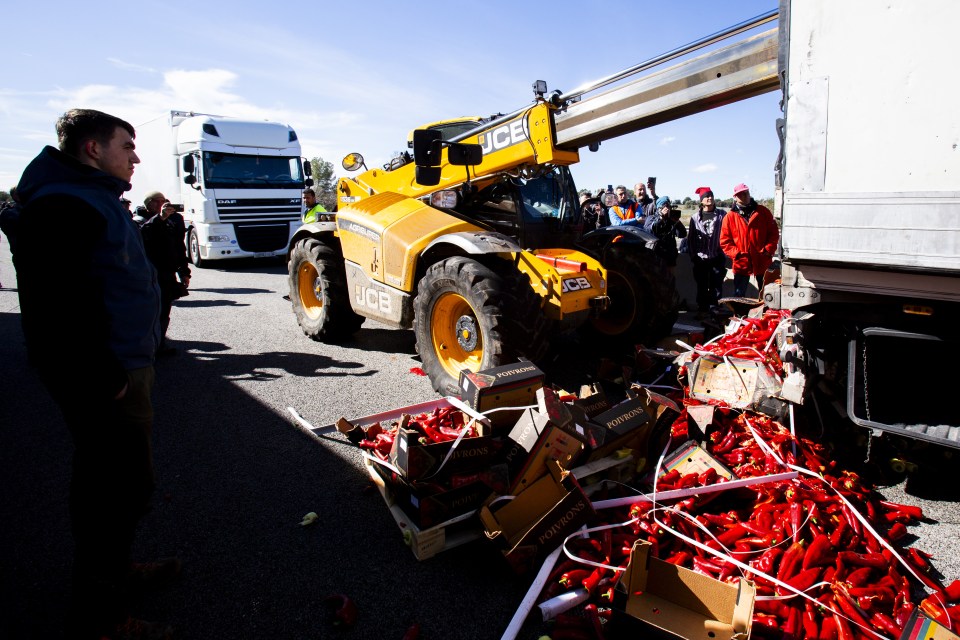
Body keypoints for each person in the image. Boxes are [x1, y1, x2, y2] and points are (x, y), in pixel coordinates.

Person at [13, 108, 176, 640]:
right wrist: (103, 376)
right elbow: (55, 307)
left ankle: (115, 573)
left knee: (121, 484)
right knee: (114, 489)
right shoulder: (64, 205)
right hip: (104, 375)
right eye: (126, 145)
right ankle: (101, 618)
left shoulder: (87, 196)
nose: (135, 155)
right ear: (92, 149)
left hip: (120, 364)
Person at [140, 193, 191, 357]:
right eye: (159, 201)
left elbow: (178, 248)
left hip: (167, 275)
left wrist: (184, 271)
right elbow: (144, 234)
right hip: (149, 275)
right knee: (149, 313)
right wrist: (160, 218)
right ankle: (146, 347)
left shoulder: (171, 222)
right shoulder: (141, 220)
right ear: (150, 204)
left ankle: (159, 343)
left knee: (164, 312)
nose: (163, 204)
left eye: (165, 201)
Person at [719, 183, 780, 298]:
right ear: (735, 197)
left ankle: (766, 315)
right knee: (738, 296)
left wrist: (768, 250)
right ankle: (739, 315)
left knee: (768, 296)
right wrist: (737, 254)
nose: (744, 196)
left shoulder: (763, 212)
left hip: (762, 260)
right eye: (740, 194)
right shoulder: (730, 217)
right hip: (741, 263)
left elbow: (774, 234)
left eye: (746, 193)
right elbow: (725, 241)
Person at [687, 187, 727, 315]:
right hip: (701, 258)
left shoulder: (722, 215)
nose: (710, 198)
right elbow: (691, 238)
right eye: (706, 196)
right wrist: (693, 255)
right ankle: (702, 310)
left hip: (717, 256)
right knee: (702, 286)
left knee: (716, 287)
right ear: (701, 201)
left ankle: (716, 312)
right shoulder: (695, 217)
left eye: (711, 196)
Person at [645, 195, 687, 271]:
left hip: (670, 258)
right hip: (655, 256)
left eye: (669, 207)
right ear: (659, 208)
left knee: (670, 280)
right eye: (664, 207)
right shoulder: (651, 218)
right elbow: (649, 230)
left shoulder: (672, 220)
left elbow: (682, 234)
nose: (667, 209)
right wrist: (661, 218)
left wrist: (677, 222)